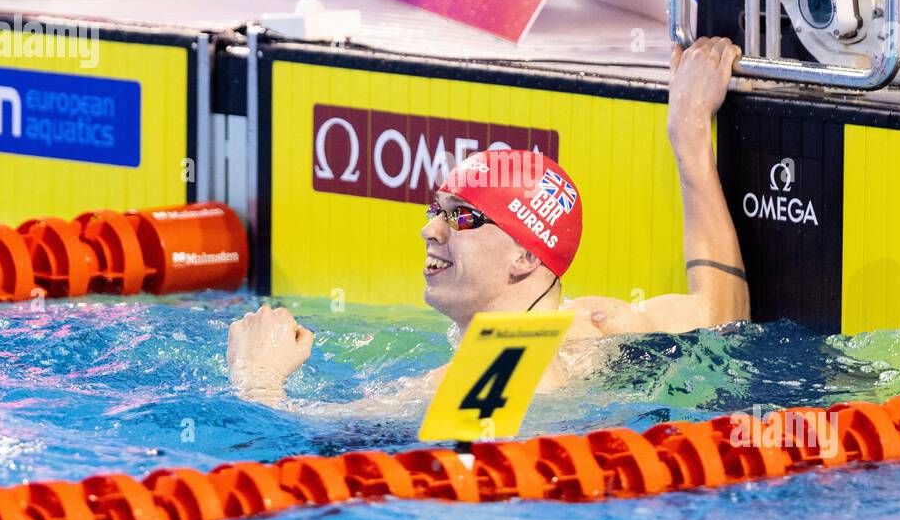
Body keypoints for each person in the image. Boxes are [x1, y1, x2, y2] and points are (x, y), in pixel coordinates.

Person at [227, 36, 749, 407]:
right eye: (437, 211)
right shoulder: (595, 326)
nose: (430, 230)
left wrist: (258, 375)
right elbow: (720, 315)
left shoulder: (491, 368)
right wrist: (688, 127)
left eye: (461, 218)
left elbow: (303, 450)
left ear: (526, 255)